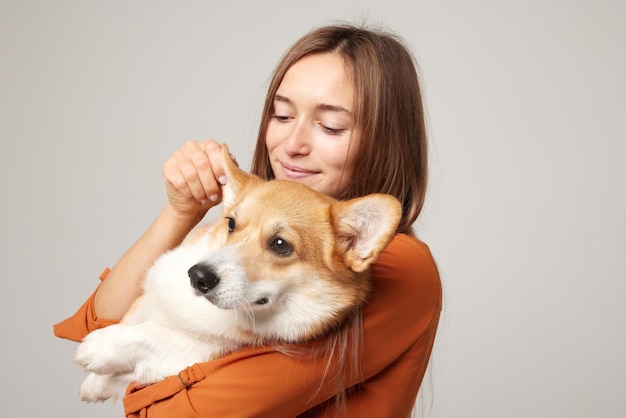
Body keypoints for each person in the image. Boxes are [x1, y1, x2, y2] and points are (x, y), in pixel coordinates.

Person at [54, 23, 442, 418]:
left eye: (330, 126)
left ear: (382, 138)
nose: (292, 145)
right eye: (282, 114)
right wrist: (181, 210)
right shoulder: (247, 219)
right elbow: (100, 335)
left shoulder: (397, 265)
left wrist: (143, 348)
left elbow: (184, 412)